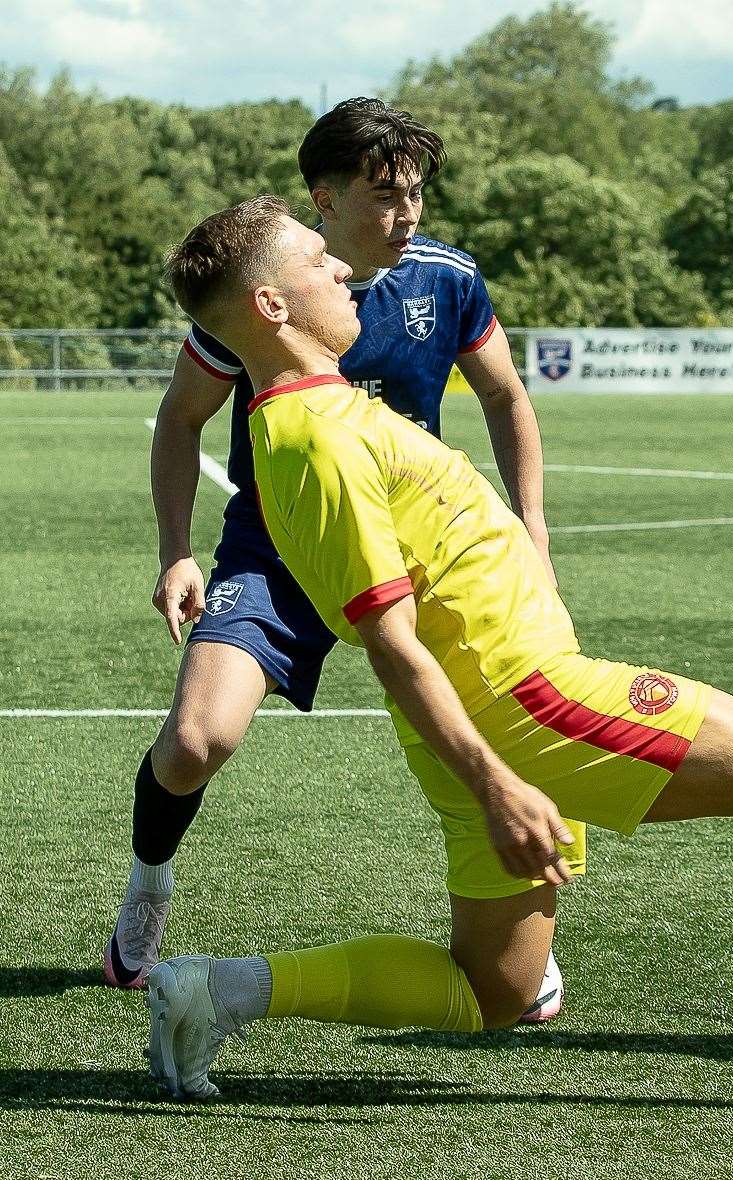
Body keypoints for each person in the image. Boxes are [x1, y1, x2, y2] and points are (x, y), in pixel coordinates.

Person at [141, 196, 733, 1112]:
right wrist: (501, 780)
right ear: (270, 306)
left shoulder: (316, 414)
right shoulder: (318, 437)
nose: (341, 268)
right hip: (524, 702)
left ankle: (217, 990)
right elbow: (393, 645)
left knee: (491, 989)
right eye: (314, 260)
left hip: (479, 720)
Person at [105, 98, 577, 1023]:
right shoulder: (263, 287)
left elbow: (506, 398)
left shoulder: (446, 279)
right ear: (323, 198)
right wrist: (175, 550)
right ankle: (149, 880)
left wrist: (532, 532)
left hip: (424, 562)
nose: (408, 217)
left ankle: (525, 944)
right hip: (278, 550)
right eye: (385, 197)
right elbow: (180, 418)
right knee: (197, 741)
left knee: (508, 730)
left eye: (415, 196)